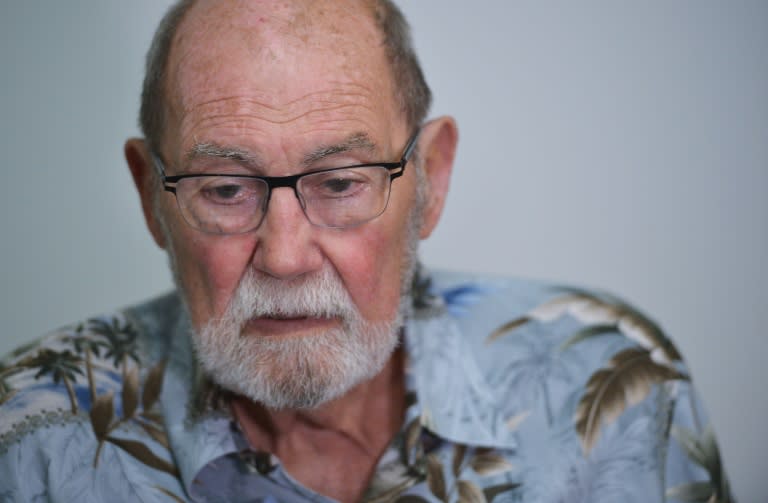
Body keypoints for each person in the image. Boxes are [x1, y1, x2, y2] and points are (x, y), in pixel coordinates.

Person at [0, 1, 733, 502]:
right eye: (225, 189)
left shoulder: (612, 389)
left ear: (430, 181)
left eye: (342, 182)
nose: (284, 257)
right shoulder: (25, 439)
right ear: (151, 195)